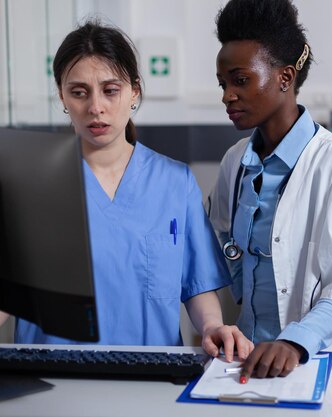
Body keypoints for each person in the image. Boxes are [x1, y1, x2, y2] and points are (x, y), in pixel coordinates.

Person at [9, 21, 252, 361]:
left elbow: (197, 285)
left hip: (149, 375)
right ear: (62, 95)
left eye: (110, 90)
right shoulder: (31, 187)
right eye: (79, 92)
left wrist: (213, 327)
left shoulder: (174, 182)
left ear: (134, 91)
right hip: (51, 377)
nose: (96, 107)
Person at [208, 1, 332, 415]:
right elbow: (223, 241)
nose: (227, 95)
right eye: (222, 82)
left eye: (240, 80)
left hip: (315, 363)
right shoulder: (234, 163)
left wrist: (295, 341)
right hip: (248, 365)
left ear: (284, 77)